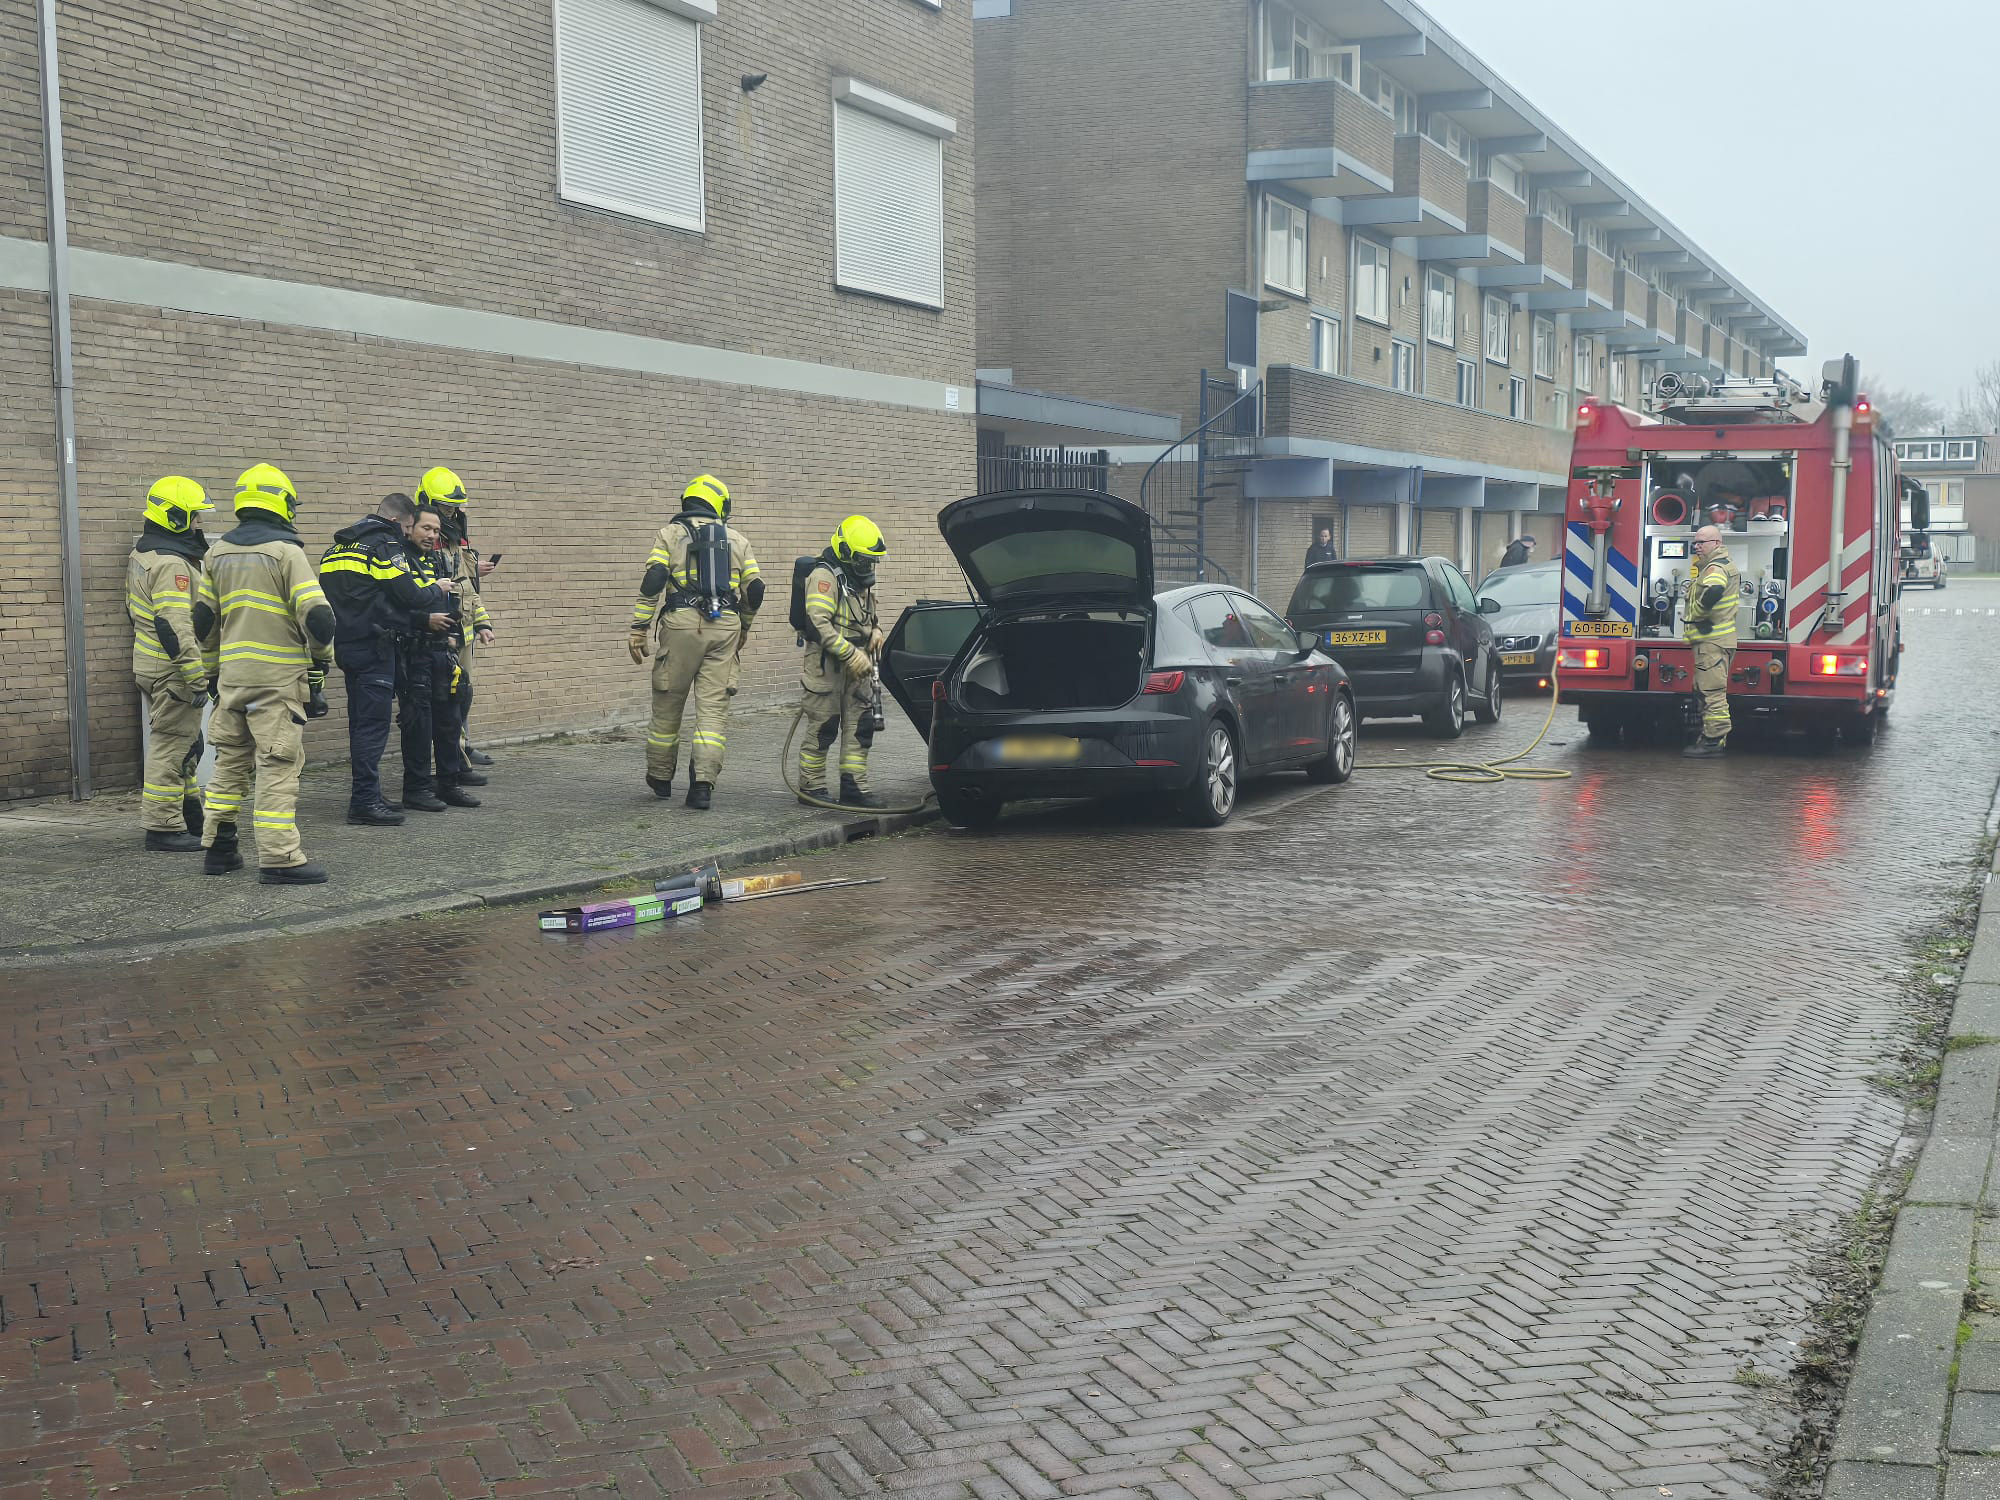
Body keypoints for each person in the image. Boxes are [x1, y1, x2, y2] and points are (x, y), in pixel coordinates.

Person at [195, 464, 336, 883]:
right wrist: (321, 661)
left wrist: (210, 674)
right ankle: (280, 858)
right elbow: (319, 616)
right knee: (278, 765)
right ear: (281, 503)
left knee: (229, 762)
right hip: (276, 683)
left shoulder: (215, 553)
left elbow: (203, 621)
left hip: (232, 679)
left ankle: (218, 850)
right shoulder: (286, 553)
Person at [318, 492, 455, 826]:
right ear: (399, 520)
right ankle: (364, 801)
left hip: (347, 644)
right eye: (410, 526)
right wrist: (437, 588)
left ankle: (371, 793)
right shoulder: (383, 546)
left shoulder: (336, 549)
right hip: (375, 646)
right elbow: (411, 595)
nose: (408, 534)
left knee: (360, 723)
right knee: (372, 727)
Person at [628, 474, 763, 810]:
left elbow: (655, 577)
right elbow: (755, 589)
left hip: (681, 624)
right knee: (713, 712)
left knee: (668, 703)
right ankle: (702, 785)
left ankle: (660, 778)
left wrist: (638, 628)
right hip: (726, 626)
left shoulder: (669, 535)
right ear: (719, 504)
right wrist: (744, 626)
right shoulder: (738, 539)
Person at [127, 476, 215, 851]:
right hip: (174, 670)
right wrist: (196, 679)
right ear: (175, 516)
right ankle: (163, 828)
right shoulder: (171, 565)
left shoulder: (145, 554)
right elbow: (174, 625)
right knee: (170, 746)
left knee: (185, 745)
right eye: (195, 517)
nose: (199, 525)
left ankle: (189, 813)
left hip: (153, 664)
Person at [798, 516, 888, 809]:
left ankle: (854, 787)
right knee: (824, 726)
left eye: (871, 561)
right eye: (864, 560)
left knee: (860, 727)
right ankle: (811, 787)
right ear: (847, 551)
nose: (868, 567)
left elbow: (869, 617)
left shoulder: (858, 579)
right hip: (828, 664)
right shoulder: (825, 577)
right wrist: (849, 654)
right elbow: (818, 624)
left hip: (859, 664)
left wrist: (877, 632)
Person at [397, 504, 481, 811]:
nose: (432, 535)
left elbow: (453, 598)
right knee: (418, 725)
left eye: (435, 530)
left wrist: (454, 631)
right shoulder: (399, 559)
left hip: (442, 652)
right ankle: (416, 789)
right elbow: (398, 605)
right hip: (414, 653)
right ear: (410, 527)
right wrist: (423, 621)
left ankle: (449, 784)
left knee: (449, 721)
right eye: (426, 529)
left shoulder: (435, 559)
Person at [415, 467, 495, 778]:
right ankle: (451, 762)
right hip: (438, 635)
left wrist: (483, 624)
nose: (452, 513)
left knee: (462, 693)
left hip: (463, 634)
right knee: (443, 698)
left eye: (454, 507)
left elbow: (467, 588)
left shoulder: (453, 541)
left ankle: (459, 752)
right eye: (446, 506)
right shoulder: (419, 545)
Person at [1681, 523, 1742, 759]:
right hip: (1717, 640)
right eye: (1695, 542)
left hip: (1713, 641)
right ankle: (1710, 737)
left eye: (1701, 542)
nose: (1697, 546)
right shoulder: (1718, 564)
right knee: (1706, 690)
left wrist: (1698, 614)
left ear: (1716, 543)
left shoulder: (1715, 567)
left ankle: (1713, 742)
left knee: (1712, 692)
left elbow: (1714, 590)